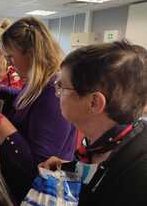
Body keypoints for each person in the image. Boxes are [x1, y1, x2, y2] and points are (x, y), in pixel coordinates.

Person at [0, 16, 76, 203]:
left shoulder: (53, 93)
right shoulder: (37, 83)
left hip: (35, 194)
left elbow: (37, 170)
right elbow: (24, 101)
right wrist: (0, 90)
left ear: (31, 53)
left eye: (11, 56)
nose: (9, 63)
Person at [40, 40, 147, 206]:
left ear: (94, 102)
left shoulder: (139, 174)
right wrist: (70, 167)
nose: (57, 93)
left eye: (62, 86)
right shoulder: (104, 141)